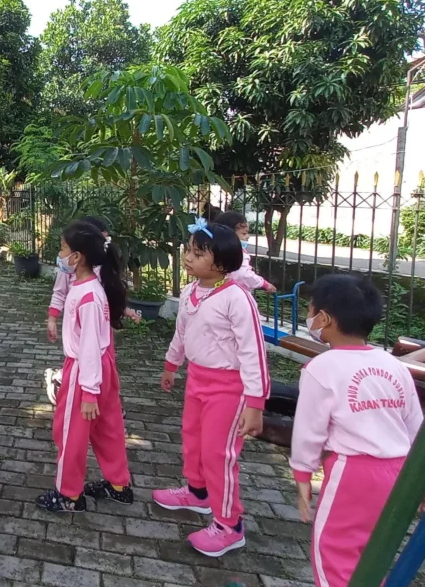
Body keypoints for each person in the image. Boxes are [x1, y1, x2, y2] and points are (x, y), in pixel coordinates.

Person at [290, 273, 425, 586]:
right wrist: (420, 476)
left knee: (333, 554)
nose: (309, 317)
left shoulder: (321, 368)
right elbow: (415, 425)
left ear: (324, 318)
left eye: (310, 311)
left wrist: (302, 475)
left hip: (353, 473)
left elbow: (309, 431)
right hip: (399, 472)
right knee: (373, 553)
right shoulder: (393, 365)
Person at [153, 217, 269, 558]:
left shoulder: (238, 297)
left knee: (219, 454)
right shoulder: (190, 292)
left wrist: (255, 402)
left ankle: (230, 525)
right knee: (193, 439)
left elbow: (253, 352)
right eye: (188, 250)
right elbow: (182, 334)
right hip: (198, 380)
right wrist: (171, 364)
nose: (188, 258)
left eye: (198, 253)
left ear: (220, 263)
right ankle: (197, 492)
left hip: (229, 389)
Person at [37, 220, 132, 513]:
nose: (60, 253)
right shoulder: (86, 287)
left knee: (69, 432)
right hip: (98, 366)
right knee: (106, 428)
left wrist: (89, 392)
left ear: (77, 257)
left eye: (63, 248)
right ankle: (118, 485)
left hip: (84, 370)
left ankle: (69, 494)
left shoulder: (88, 295)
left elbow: (89, 347)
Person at [45, 216, 139, 406]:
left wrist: (123, 310)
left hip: (97, 331)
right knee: (86, 362)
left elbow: (109, 296)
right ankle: (75, 389)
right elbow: (59, 293)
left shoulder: (96, 281)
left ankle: (98, 399)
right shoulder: (72, 274)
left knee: (98, 365)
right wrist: (52, 318)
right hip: (83, 330)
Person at [208, 210, 276, 294]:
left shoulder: (212, 250)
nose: (248, 237)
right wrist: (264, 283)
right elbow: (243, 274)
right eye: (244, 233)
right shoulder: (238, 253)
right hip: (234, 295)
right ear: (229, 235)